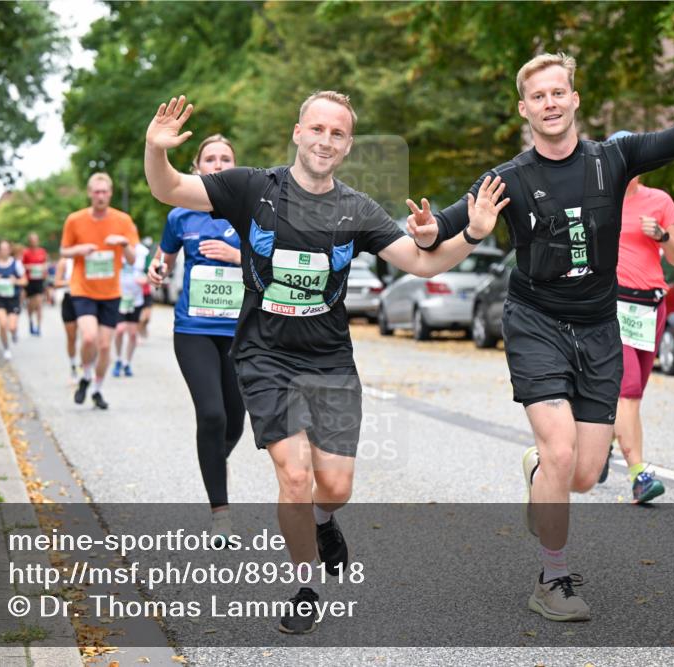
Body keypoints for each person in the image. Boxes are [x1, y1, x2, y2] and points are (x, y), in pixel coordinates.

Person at [144, 92, 506, 634]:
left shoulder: (358, 209)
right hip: (264, 354)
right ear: (297, 133)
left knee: (333, 487)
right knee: (294, 476)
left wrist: (473, 232)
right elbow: (168, 187)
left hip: (329, 357)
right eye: (317, 129)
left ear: (347, 145)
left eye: (337, 134)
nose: (325, 140)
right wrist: (156, 150)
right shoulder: (250, 188)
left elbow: (422, 262)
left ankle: (324, 518)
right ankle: (306, 584)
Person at [410, 51, 674, 622]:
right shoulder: (507, 179)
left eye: (558, 92)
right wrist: (429, 227)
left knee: (584, 474)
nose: (550, 103)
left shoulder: (614, 157)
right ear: (524, 109)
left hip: (598, 327)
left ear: (575, 98)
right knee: (561, 449)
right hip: (535, 322)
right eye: (538, 97)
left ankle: (541, 472)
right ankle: (552, 578)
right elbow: (446, 226)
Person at [147, 134, 248, 545]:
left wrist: (237, 257)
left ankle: (212, 463)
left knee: (236, 424)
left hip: (242, 333)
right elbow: (163, 258)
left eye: (226, 158)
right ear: (197, 167)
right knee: (212, 416)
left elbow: (275, 260)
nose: (219, 164)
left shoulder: (253, 213)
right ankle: (220, 514)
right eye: (211, 158)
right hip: (194, 330)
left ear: (236, 167)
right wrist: (158, 269)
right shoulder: (181, 215)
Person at [599, 135, 674, 503]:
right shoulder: (598, 201)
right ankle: (639, 475)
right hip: (613, 306)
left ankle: (599, 440)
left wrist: (664, 236)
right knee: (628, 392)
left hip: (650, 307)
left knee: (630, 394)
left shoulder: (660, 201)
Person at [60, 173, 139, 410]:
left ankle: (96, 388)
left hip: (111, 292)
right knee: (88, 337)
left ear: (110, 193)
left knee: (105, 346)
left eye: (105, 192)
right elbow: (64, 251)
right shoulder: (75, 220)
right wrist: (79, 250)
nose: (101, 196)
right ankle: (85, 373)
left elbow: (133, 259)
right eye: (96, 192)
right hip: (82, 288)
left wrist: (123, 244)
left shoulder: (123, 220)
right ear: (89, 193)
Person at [113, 239, 150, 377]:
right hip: (120, 297)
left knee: (133, 334)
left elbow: (151, 271)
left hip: (136, 298)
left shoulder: (143, 251)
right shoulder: (117, 248)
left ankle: (127, 363)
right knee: (120, 330)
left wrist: (146, 279)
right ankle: (117, 359)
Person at [0, 240, 27, 360]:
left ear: (10, 250)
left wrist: (16, 281)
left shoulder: (16, 264)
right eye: (2, 249)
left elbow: (25, 281)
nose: (4, 251)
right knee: (3, 324)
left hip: (13, 299)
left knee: (12, 326)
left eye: (6, 249)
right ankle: (6, 348)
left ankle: (14, 333)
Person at [53, 255, 79, 377]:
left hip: (87, 299)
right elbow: (56, 282)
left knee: (88, 336)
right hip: (69, 299)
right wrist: (71, 282)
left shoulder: (88, 257)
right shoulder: (65, 261)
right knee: (71, 337)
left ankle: (86, 366)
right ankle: (73, 365)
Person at [22, 232, 49, 335]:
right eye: (32, 240)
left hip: (39, 280)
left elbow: (45, 263)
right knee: (31, 304)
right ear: (30, 241)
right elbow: (22, 266)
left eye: (36, 240)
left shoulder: (42, 251)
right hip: (29, 281)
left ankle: (38, 327)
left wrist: (44, 269)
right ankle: (30, 321)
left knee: (39, 303)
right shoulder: (26, 253)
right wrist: (31, 267)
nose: (34, 242)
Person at [137, 236, 154, 338]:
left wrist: (148, 279)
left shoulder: (147, 257)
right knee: (139, 316)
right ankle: (137, 332)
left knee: (147, 317)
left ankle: (142, 327)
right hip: (137, 291)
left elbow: (151, 272)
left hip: (146, 290)